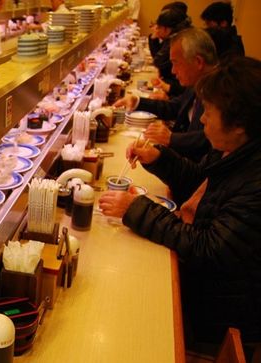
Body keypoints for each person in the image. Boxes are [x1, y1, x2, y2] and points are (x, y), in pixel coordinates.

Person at [100, 56, 261, 358]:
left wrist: (136, 209)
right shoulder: (236, 150)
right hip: (205, 287)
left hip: (214, 312)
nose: (202, 120)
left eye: (209, 113)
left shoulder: (255, 183)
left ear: (239, 125)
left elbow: (207, 247)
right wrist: (159, 158)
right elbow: (200, 181)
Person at [114, 28, 218, 162]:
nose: (173, 71)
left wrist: (171, 138)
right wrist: (138, 102)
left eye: (175, 63)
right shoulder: (198, 83)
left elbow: (210, 140)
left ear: (198, 62)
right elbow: (176, 107)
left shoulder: (221, 93)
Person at [150, 9, 191, 97]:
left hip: (175, 89)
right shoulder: (178, 34)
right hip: (174, 87)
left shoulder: (177, 39)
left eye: (159, 27)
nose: (157, 29)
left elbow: (158, 61)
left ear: (166, 29)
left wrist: (169, 88)